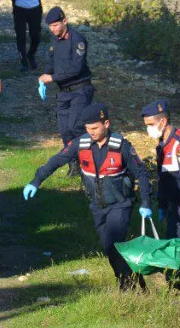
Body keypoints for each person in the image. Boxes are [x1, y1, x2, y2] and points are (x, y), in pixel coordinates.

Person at [23, 103, 153, 291]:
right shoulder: (80, 144)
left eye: (94, 128)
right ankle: (132, 278)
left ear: (106, 124)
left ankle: (127, 286)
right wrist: (36, 180)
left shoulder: (121, 146)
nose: (90, 132)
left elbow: (141, 173)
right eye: (87, 128)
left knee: (114, 243)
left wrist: (146, 202)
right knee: (108, 247)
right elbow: (57, 161)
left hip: (120, 204)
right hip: (97, 206)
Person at [37, 6, 93, 156]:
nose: (52, 29)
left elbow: (76, 69)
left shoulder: (78, 40)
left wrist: (52, 78)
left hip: (80, 90)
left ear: (65, 21)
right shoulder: (54, 40)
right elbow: (51, 62)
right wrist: (45, 75)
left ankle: (86, 162)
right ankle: (73, 164)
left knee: (76, 127)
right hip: (63, 92)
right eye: (50, 26)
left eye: (55, 25)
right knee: (65, 130)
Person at [141, 100, 180, 238]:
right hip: (174, 207)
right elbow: (163, 179)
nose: (148, 129)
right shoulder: (162, 146)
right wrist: (162, 203)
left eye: (150, 125)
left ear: (163, 121)